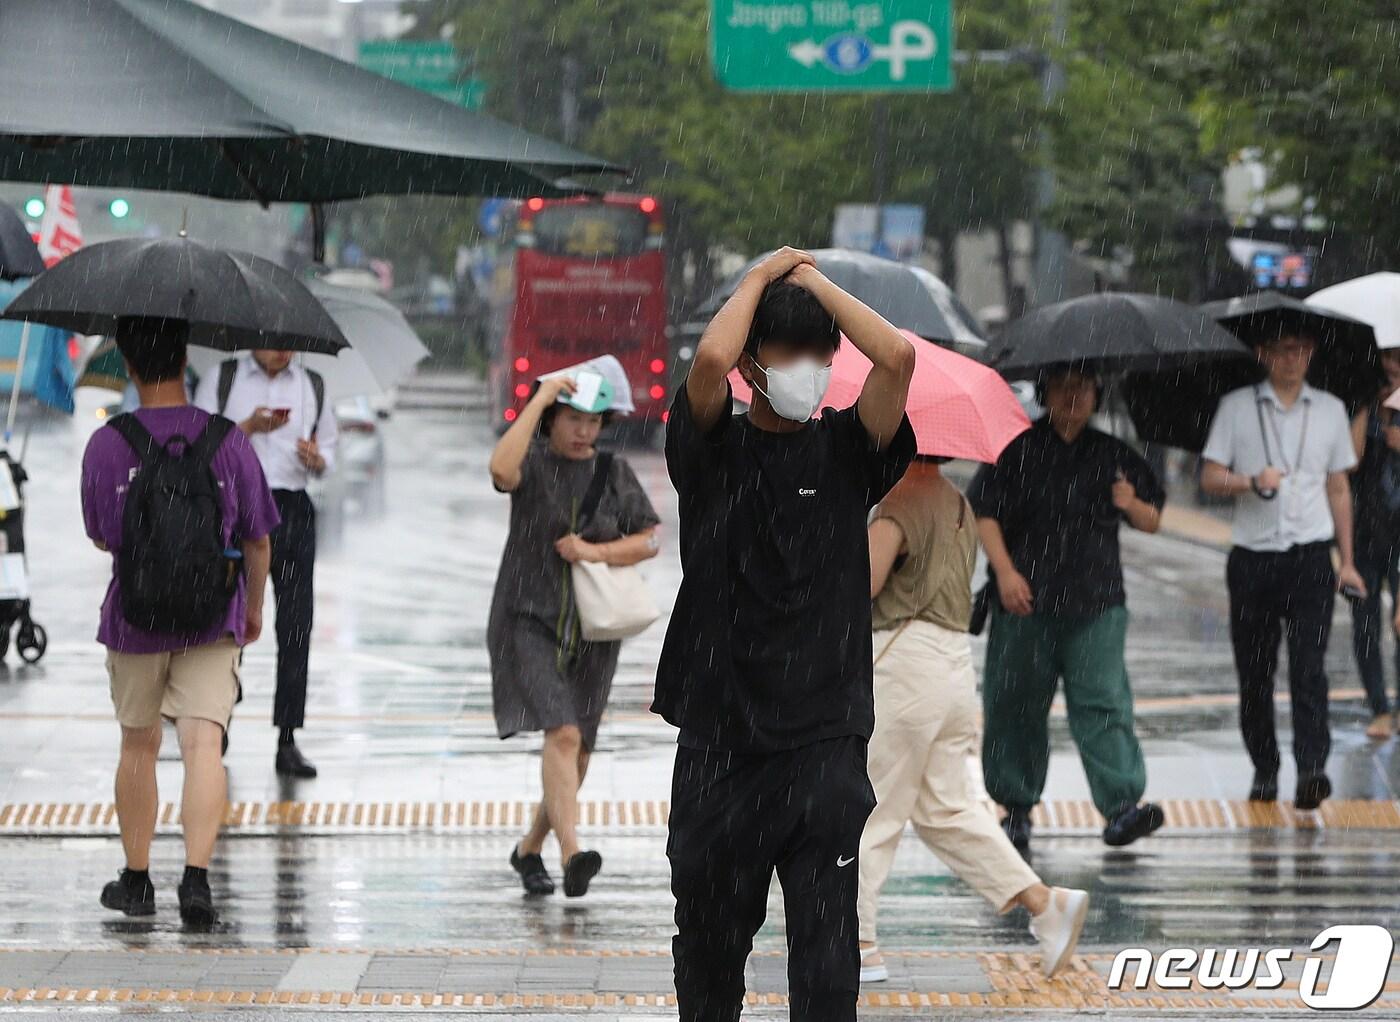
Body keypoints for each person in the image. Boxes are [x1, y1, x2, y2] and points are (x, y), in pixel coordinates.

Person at [657, 247, 916, 1022]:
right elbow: (706, 357)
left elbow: (897, 356)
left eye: (821, 352)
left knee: (828, 965)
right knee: (709, 958)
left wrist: (811, 283)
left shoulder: (846, 449)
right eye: (790, 349)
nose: (811, 366)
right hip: (721, 743)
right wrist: (756, 280)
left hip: (824, 745)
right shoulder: (711, 453)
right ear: (751, 364)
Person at [858, 455, 1089, 983]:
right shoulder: (957, 500)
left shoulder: (899, 503)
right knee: (946, 809)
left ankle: (859, 940)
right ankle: (1044, 903)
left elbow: (865, 583)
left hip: (904, 663)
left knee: (871, 806)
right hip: (952, 668)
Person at [82, 317, 277, 925]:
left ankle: (137, 882)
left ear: (130, 365)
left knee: (139, 743)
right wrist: (250, 611)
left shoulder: (108, 443)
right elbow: (259, 539)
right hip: (211, 613)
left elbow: (99, 535)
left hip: (135, 617)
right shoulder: (228, 440)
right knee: (203, 745)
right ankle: (196, 881)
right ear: (185, 357)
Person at [970, 366, 1166, 857]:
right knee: (1013, 706)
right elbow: (984, 513)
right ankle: (1015, 808)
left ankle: (1121, 807)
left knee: (1103, 705)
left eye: (1084, 387)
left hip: (1096, 605)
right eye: (1062, 386)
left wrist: (1130, 502)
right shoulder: (1016, 448)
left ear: (1098, 394)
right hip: (1024, 603)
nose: (1073, 395)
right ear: (1045, 394)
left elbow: (1153, 520)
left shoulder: (1115, 455)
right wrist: (1006, 573)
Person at [487, 372, 661, 898]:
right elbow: (499, 471)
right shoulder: (533, 463)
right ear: (552, 420)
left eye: (593, 421)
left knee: (578, 748)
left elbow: (647, 541)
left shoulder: (613, 471)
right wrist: (540, 394)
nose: (584, 432)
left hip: (595, 627)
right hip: (526, 618)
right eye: (573, 419)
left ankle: (529, 849)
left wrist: (594, 552)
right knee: (562, 734)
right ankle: (572, 853)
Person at [1201, 330, 1364, 809]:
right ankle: (1265, 768)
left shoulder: (1331, 410)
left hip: (1311, 557)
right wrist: (1251, 481)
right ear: (1263, 353)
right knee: (1256, 672)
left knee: (1310, 669)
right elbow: (1210, 475)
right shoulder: (1237, 407)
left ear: (1312, 354)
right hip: (1252, 558)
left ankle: (1312, 768)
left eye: (1302, 350)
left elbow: (1338, 487)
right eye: (1283, 350)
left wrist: (1347, 560)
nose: (1293, 359)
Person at [194, 350, 337, 779]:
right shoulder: (224, 379)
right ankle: (220, 722)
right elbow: (201, 447)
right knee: (229, 624)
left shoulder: (311, 384)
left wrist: (318, 459)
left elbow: (329, 446)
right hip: (236, 508)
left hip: (293, 508)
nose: (281, 348)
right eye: (273, 338)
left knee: (296, 625)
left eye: (289, 341)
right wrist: (249, 428)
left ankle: (288, 737)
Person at [1348, 349, 1400, 739]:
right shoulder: (1362, 403)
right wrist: (1369, 406)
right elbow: (1349, 461)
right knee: (1365, 623)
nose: (1393, 371)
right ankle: (1379, 707)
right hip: (1364, 530)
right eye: (1387, 363)